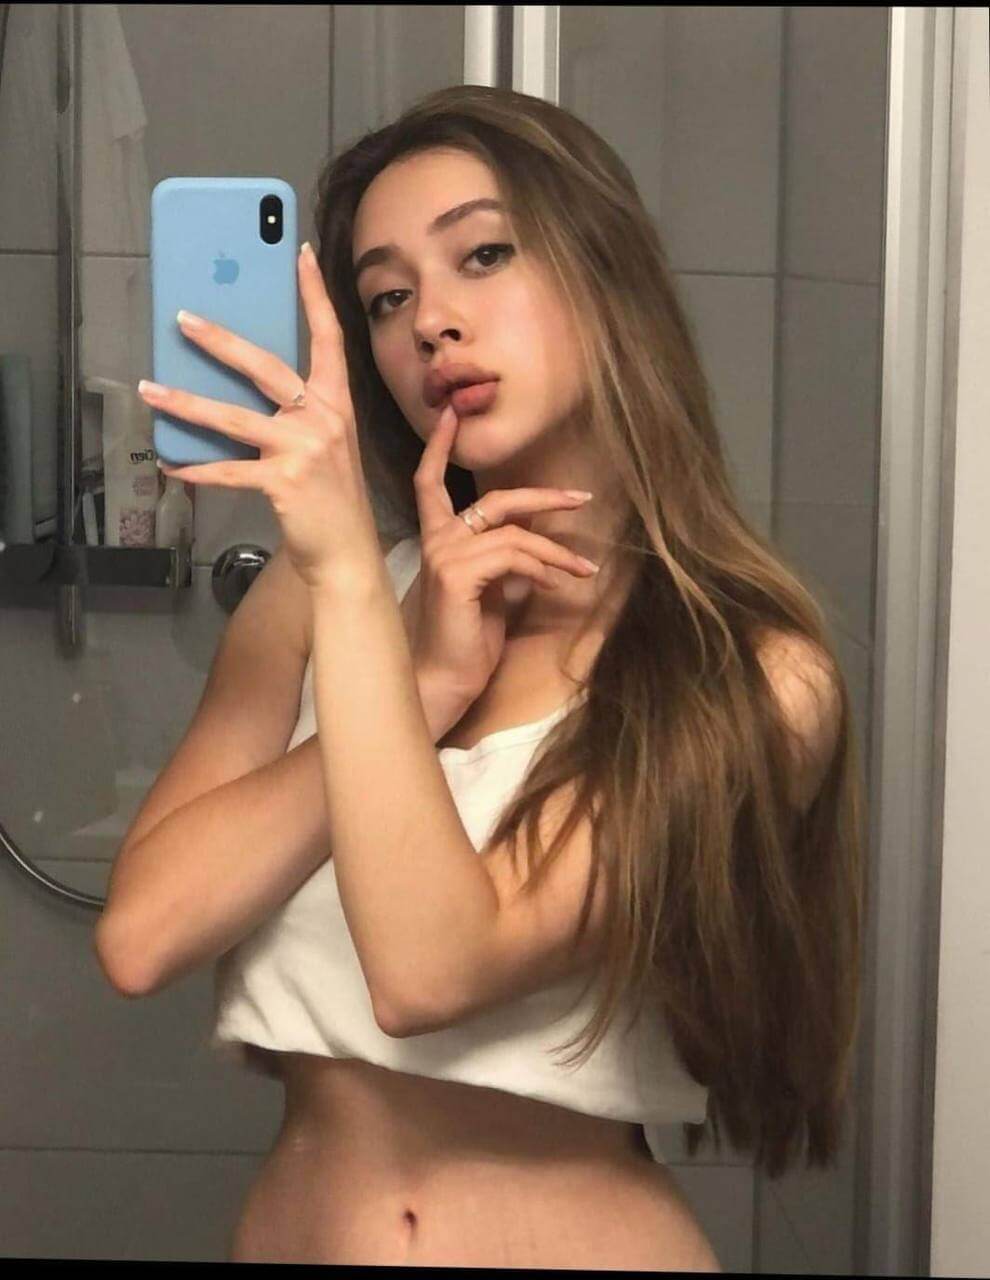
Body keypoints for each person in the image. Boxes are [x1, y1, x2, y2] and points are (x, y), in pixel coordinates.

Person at [99, 85, 865, 1269]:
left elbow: (430, 969)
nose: (430, 325)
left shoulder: (755, 679)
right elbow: (143, 936)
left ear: (605, 274)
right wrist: (418, 682)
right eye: (387, 297)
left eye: (484, 254)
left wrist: (353, 588)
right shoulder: (320, 596)